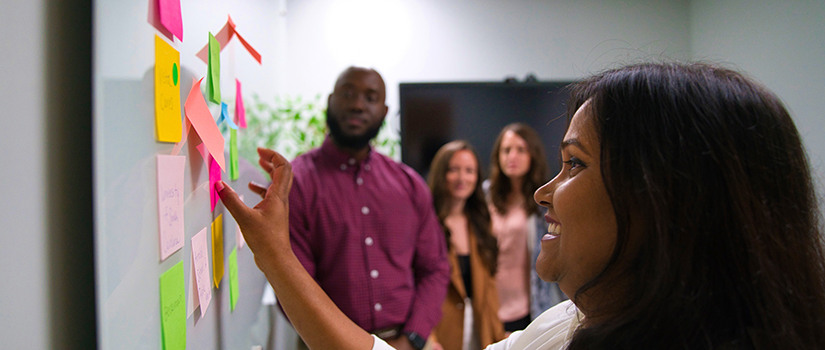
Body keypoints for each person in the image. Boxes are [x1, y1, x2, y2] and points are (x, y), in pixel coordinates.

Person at [219, 62, 825, 350]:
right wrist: (273, 252)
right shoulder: (569, 327)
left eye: (575, 164)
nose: (543, 191)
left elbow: (432, 268)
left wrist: (410, 330)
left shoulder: (402, 184)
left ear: (664, 200)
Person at [249, 66, 450, 350]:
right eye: (348, 94)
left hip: (408, 343)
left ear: (384, 111)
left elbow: (435, 269)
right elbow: (292, 280)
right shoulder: (297, 184)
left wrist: (412, 339)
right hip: (325, 343)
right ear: (331, 101)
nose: (357, 104)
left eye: (370, 97)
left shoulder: (409, 185)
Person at [486, 123, 565, 332]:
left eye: (520, 150)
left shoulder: (544, 203)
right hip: (488, 307)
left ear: (533, 155)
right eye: (506, 150)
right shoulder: (486, 196)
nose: (512, 156)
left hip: (530, 307)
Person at [427, 141, 506, 350]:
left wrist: (499, 334)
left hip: (480, 332)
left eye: (469, 171)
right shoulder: (425, 223)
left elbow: (489, 290)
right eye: (454, 170)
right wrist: (428, 339)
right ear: (440, 173)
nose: (462, 178)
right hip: (439, 336)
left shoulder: (481, 223)